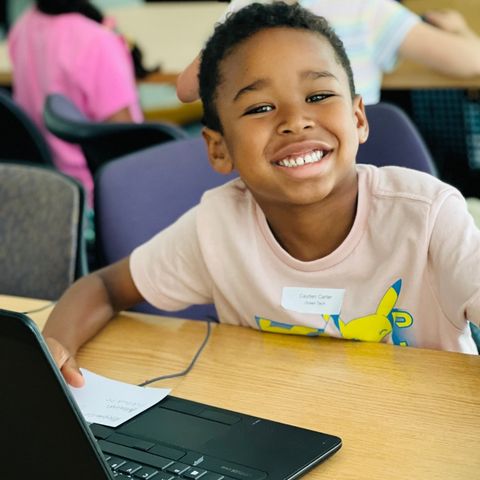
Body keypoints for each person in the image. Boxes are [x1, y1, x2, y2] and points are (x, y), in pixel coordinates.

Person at [43, 2, 480, 388]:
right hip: (284, 434)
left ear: (359, 118)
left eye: (319, 95)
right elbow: (104, 284)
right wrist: (55, 346)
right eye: (260, 108)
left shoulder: (428, 217)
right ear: (219, 148)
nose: (295, 120)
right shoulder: (218, 228)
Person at [176, 0, 480, 105]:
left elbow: (187, 88)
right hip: (354, 163)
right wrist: (460, 31)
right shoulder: (365, 7)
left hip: (273, 167)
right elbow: (472, 62)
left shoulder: (247, 7)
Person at [8, 0, 143, 204]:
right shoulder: (96, 42)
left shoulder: (23, 26)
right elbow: (126, 149)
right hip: (96, 194)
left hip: (45, 184)